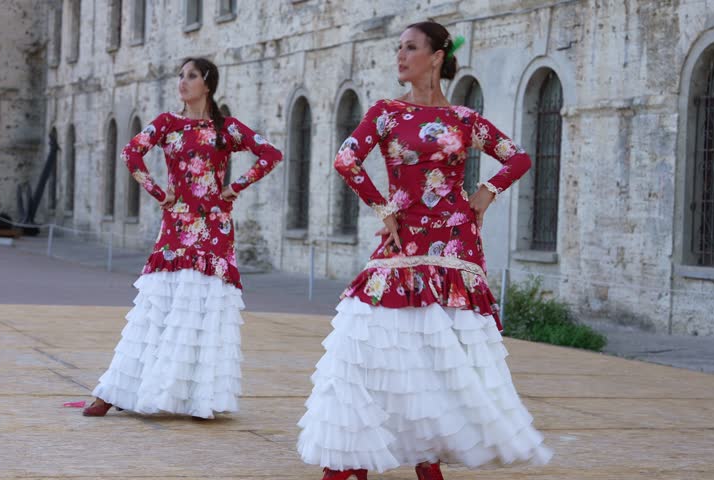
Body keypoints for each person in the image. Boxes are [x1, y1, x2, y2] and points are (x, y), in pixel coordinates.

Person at [296, 21, 552, 480]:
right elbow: (345, 158)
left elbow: (518, 157)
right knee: (369, 342)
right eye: (398, 48)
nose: (400, 56)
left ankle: (427, 457)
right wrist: (381, 207)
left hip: (454, 244)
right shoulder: (387, 112)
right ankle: (353, 460)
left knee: (438, 352)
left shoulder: (464, 119)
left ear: (436, 57)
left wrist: (487, 191)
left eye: (410, 48)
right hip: (403, 241)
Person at [83, 57, 283, 419]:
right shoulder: (167, 124)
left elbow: (270, 154)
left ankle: (195, 397)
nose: (182, 81)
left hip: (214, 229)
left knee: (201, 306)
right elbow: (131, 154)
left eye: (191, 76)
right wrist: (160, 193)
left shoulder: (226, 129)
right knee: (157, 304)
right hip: (176, 225)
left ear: (207, 84)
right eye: (180, 75)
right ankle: (116, 389)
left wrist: (235, 186)